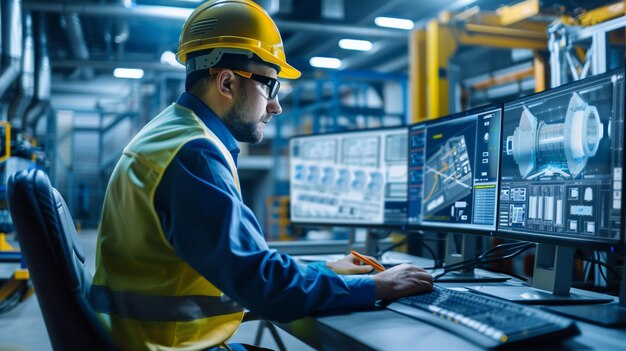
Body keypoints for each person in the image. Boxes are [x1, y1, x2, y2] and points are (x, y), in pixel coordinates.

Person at [89, 1, 433, 350]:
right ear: (226, 82)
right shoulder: (193, 154)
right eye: (270, 86)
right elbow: (263, 285)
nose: (276, 105)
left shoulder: (171, 135)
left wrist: (327, 270)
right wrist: (376, 286)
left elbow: (244, 269)